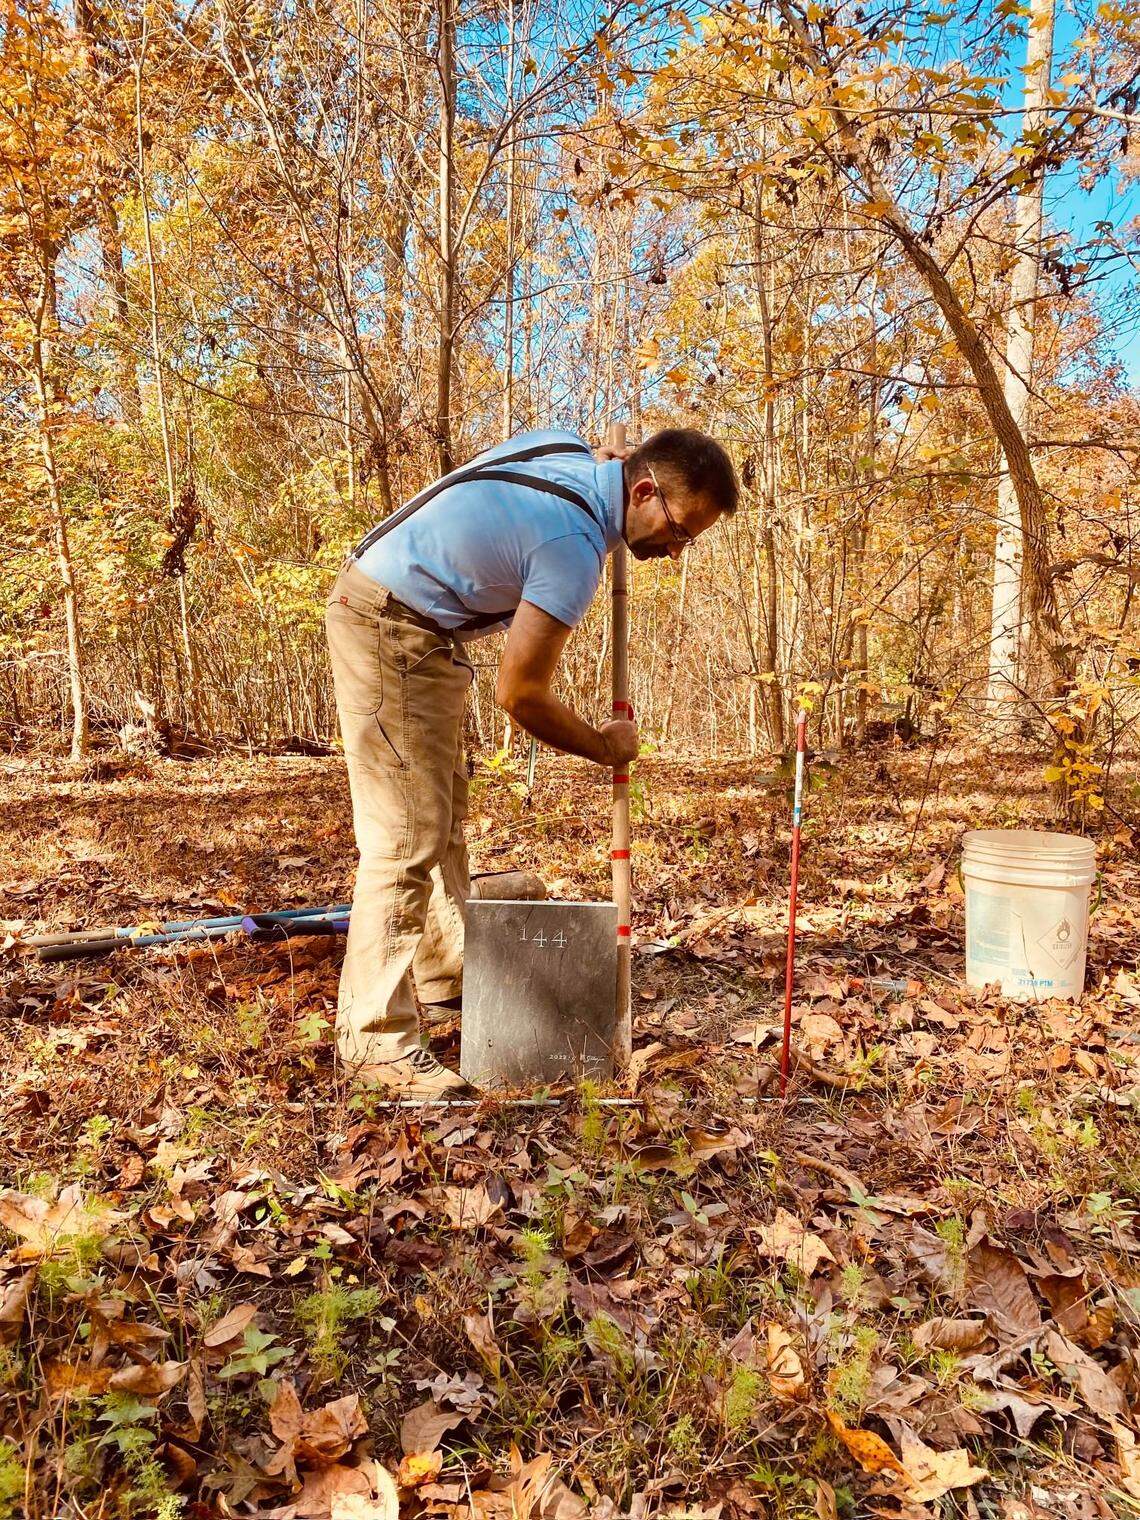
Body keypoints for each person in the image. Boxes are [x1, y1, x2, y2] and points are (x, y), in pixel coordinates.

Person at [324, 426, 739, 1095]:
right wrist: (604, 747)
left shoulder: (568, 452)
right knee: (406, 836)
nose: (676, 551)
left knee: (441, 812)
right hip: (389, 624)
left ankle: (443, 969)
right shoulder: (572, 547)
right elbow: (519, 695)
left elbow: (590, 451)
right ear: (640, 490)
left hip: (416, 624)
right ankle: (375, 1045)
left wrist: (609, 459)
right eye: (679, 530)